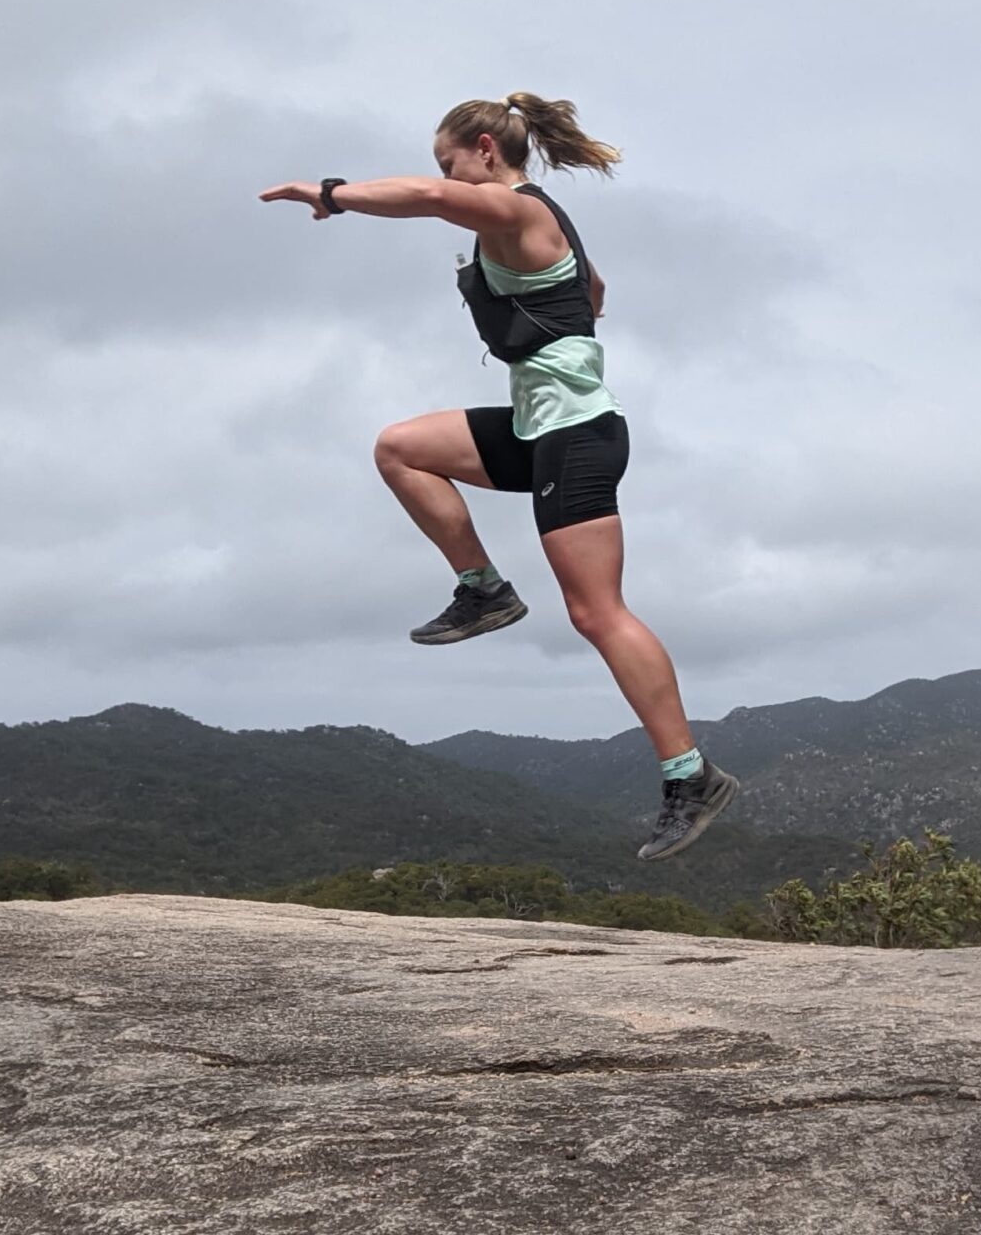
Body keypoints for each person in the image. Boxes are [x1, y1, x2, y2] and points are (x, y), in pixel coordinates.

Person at [259, 93, 738, 861]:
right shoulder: (525, 222)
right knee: (400, 447)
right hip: (533, 428)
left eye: (450, 162)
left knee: (596, 614)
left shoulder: (513, 210)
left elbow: (425, 198)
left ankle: (691, 776)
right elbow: (593, 288)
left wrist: (329, 194)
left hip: (576, 436)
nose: (442, 176)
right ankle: (483, 589)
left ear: (485, 150)